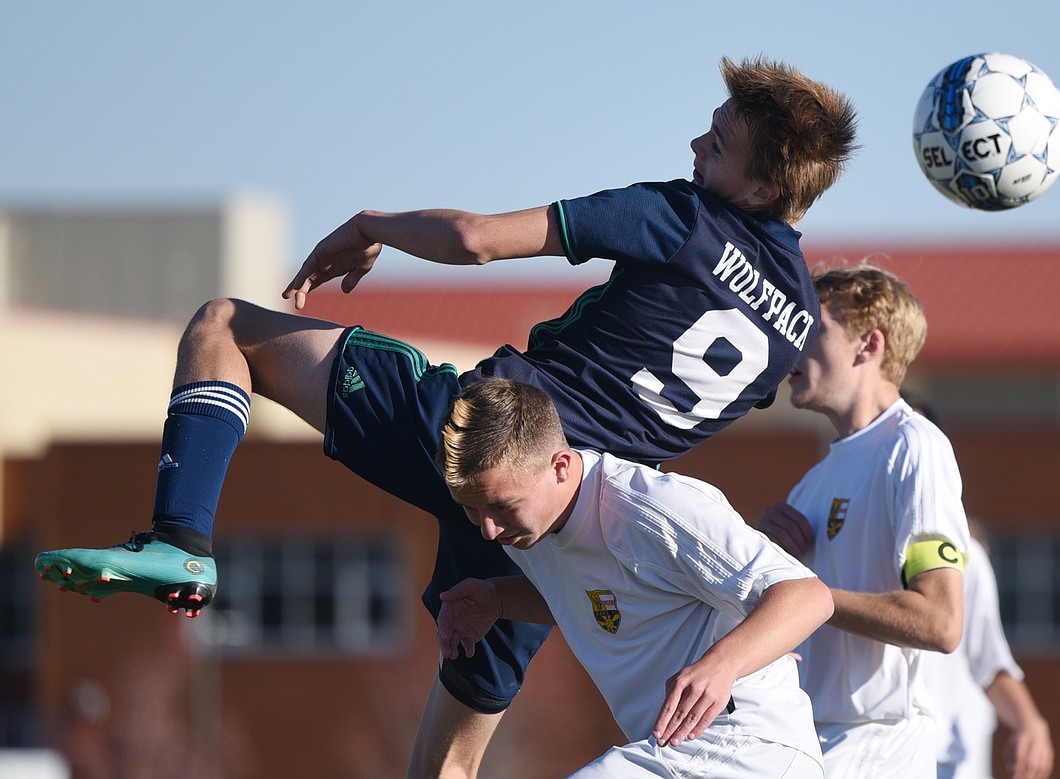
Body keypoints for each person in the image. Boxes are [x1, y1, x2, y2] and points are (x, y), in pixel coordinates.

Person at [35, 56, 858, 778]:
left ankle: (181, 540)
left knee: (226, 327)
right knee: (450, 762)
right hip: (555, 534)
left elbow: (475, 240)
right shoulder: (788, 335)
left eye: (716, 144)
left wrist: (371, 226)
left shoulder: (685, 217)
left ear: (764, 187)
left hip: (484, 433)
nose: (693, 148)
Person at [436, 377, 832, 778]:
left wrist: (722, 664)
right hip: (682, 751)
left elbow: (808, 595)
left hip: (748, 748)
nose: (488, 529)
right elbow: (600, 597)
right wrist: (498, 600)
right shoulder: (529, 526)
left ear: (560, 466)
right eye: (472, 509)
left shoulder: (647, 507)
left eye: (502, 506)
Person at [756, 263, 971, 779]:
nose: (791, 345)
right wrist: (762, 560)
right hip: (809, 740)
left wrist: (810, 597)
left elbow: (939, 622)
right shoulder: (813, 483)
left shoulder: (915, 446)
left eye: (812, 329)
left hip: (877, 745)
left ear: (867, 346)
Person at [902, 388, 1054, 779]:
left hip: (944, 759)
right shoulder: (825, 527)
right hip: (861, 754)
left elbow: (989, 662)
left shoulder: (965, 556)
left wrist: (1030, 723)